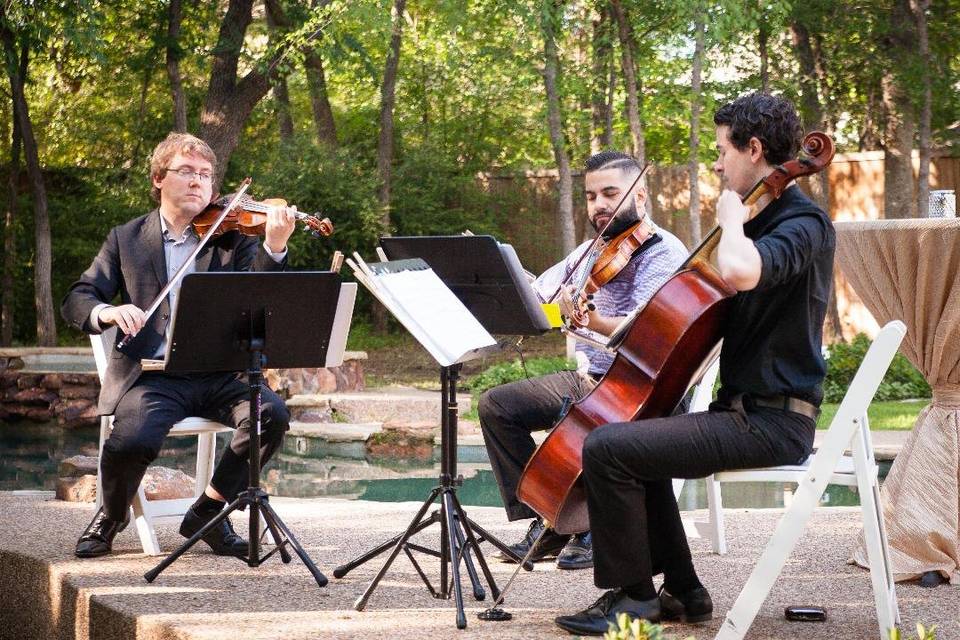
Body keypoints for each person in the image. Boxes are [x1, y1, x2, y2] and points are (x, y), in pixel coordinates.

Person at [553, 93, 835, 635]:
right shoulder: (762, 222)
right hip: (742, 412)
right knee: (636, 438)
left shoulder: (803, 223)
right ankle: (683, 590)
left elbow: (744, 271)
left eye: (722, 150)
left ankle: (634, 600)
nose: (716, 163)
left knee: (608, 448)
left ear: (754, 149)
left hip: (774, 422)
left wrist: (732, 218)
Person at [62, 132, 298, 558]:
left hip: (219, 372)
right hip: (154, 378)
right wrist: (108, 313)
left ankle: (208, 510)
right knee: (131, 440)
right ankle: (112, 515)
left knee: (272, 416)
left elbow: (262, 296)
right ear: (158, 178)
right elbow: (79, 296)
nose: (197, 182)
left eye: (206, 176)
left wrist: (275, 246)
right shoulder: (127, 238)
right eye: (186, 171)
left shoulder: (231, 237)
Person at [478, 151, 688, 570]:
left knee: (574, 411)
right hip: (594, 379)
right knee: (496, 406)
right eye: (592, 196)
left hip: (641, 387)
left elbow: (644, 334)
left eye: (610, 193)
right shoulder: (592, 250)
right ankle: (546, 521)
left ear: (640, 195)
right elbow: (540, 294)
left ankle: (594, 524)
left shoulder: (662, 253)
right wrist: (509, 279)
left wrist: (589, 317)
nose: (600, 205)